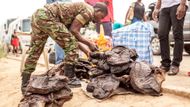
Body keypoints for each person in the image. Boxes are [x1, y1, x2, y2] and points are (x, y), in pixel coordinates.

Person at [21, 2, 108, 94]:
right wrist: (89, 44)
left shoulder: (82, 10)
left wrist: (87, 51)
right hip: (48, 17)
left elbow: (71, 36)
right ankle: (70, 78)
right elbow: (74, 31)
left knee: (35, 51)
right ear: (97, 10)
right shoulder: (89, 11)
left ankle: (25, 85)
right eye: (101, 17)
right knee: (71, 44)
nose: (100, 20)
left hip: (38, 16)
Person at [152, 0, 188, 75]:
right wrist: (157, 7)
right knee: (162, 34)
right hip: (164, 7)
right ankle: (165, 64)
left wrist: (182, 4)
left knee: (177, 34)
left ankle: (175, 64)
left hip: (177, 3)